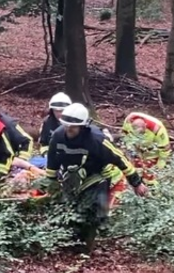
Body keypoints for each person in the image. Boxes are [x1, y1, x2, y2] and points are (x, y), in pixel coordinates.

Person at [43, 103, 147, 253]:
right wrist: (51, 184)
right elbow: (52, 161)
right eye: (66, 125)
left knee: (94, 212)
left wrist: (136, 183)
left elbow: (120, 159)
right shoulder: (58, 137)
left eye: (73, 126)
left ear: (83, 127)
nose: (68, 129)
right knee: (68, 209)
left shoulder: (97, 140)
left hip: (96, 178)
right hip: (69, 178)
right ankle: (70, 242)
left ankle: (87, 247)